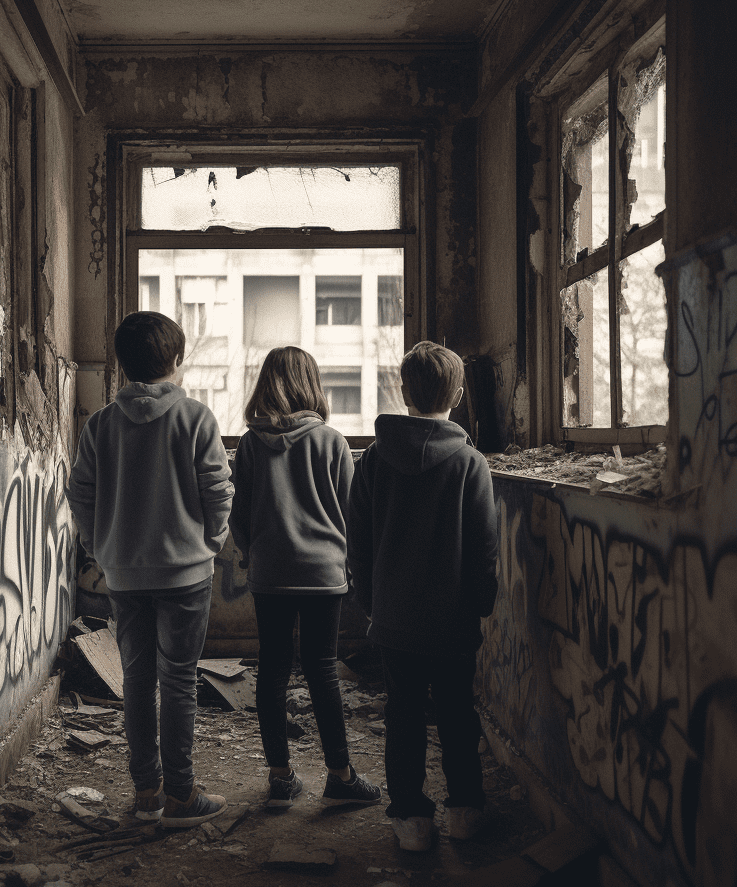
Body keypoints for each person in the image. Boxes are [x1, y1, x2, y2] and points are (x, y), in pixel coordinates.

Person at [67, 311, 234, 827]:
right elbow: (217, 490)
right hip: (186, 574)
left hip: (125, 574)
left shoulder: (101, 424)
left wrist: (103, 547)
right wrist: (210, 540)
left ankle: (146, 795)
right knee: (178, 680)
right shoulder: (197, 419)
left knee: (137, 679)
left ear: (121, 365)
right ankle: (182, 797)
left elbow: (80, 494)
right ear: (177, 360)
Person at [348, 340, 498, 851]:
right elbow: (483, 547)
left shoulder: (372, 461)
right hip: (453, 621)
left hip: (393, 619)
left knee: (403, 716)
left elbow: (359, 545)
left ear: (404, 390)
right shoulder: (470, 464)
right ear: (457, 394)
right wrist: (481, 603)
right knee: (458, 713)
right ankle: (464, 811)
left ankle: (411, 821)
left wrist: (373, 605)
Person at [229, 346, 381, 810]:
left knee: (272, 669)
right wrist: (352, 566)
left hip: (270, 572)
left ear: (265, 385)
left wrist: (253, 552)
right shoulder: (332, 442)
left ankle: (279, 777)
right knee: (321, 670)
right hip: (322, 574)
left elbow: (240, 515)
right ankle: (341, 775)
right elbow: (353, 514)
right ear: (310, 385)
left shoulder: (251, 444)